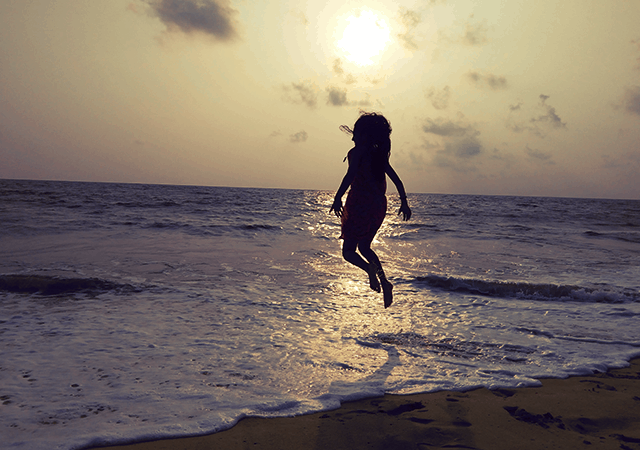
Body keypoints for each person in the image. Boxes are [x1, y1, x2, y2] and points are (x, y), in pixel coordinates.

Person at [330, 112, 411, 308]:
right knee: (365, 247)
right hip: (377, 205)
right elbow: (397, 180)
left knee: (349, 252)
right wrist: (404, 202)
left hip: (359, 202)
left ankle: (368, 270)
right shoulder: (379, 157)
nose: (352, 137)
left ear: (364, 135)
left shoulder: (356, 153)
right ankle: (385, 282)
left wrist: (338, 197)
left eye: (356, 133)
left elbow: (349, 176)